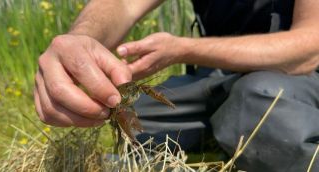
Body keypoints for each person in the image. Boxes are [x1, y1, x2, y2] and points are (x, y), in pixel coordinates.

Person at [34, 0, 319, 171]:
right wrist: (80, 41)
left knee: (259, 101)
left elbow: (308, 48)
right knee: (136, 117)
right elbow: (122, 4)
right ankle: (227, 137)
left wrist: (184, 49)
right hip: (219, 77)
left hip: (299, 77)